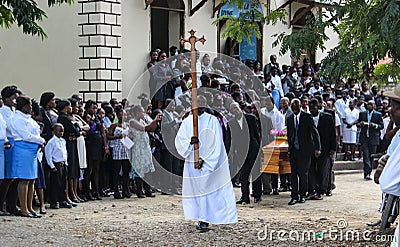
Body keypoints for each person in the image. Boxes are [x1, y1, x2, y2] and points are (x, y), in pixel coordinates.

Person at [175, 95, 238, 232]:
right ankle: (200, 216)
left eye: (203, 101)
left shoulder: (212, 120)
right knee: (197, 191)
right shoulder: (187, 122)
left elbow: (216, 143)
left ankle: (204, 219)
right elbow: (180, 139)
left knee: (206, 190)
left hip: (208, 163)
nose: (201, 104)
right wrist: (189, 143)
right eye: (198, 101)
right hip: (192, 161)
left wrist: (205, 159)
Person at [9, 96, 45, 217]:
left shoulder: (28, 118)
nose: (31, 107)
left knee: (31, 180)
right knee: (24, 179)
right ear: (23, 106)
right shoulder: (18, 118)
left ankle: (30, 207)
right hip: (23, 149)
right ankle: (24, 208)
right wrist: (41, 140)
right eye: (29, 105)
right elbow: (26, 136)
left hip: (32, 151)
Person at [286, 98, 321, 205]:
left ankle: (302, 195)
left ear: (300, 106)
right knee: (293, 174)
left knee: (303, 173)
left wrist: (317, 148)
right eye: (292, 107)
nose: (294, 109)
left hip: (305, 150)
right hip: (293, 150)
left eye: (296, 107)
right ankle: (294, 196)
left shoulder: (307, 117)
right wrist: (289, 148)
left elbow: (315, 133)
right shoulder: (290, 118)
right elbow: (289, 134)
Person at [229, 102, 262, 204]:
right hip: (241, 151)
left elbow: (257, 135)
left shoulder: (251, 118)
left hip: (253, 149)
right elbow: (233, 139)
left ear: (240, 108)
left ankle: (257, 195)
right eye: (233, 109)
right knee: (244, 174)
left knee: (255, 172)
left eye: (236, 108)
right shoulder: (231, 122)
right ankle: (245, 197)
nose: (235, 110)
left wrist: (259, 150)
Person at [128, 105, 161, 198]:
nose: (143, 113)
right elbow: (145, 128)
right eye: (141, 112)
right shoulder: (132, 122)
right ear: (136, 113)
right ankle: (139, 190)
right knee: (140, 170)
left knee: (147, 169)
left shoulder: (142, 121)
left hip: (145, 147)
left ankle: (148, 190)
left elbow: (152, 128)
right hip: (138, 149)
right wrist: (155, 120)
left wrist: (156, 121)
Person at [308, 99, 336, 200]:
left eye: (314, 108)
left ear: (318, 107)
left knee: (323, 171)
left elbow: (333, 133)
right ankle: (312, 190)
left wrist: (333, 148)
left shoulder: (327, 117)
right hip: (311, 149)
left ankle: (321, 191)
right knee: (311, 170)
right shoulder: (307, 117)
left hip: (325, 148)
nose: (312, 110)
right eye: (310, 108)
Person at [0, 86, 20, 216]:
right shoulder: (4, 111)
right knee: (7, 176)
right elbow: (11, 127)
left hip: (14, 141)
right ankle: (3, 204)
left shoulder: (13, 111)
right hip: (9, 142)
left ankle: (12, 204)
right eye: (14, 97)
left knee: (14, 176)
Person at [57, 100, 80, 206]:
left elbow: (76, 131)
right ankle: (69, 195)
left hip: (72, 143)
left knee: (75, 169)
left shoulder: (68, 117)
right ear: (66, 107)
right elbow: (75, 130)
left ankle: (74, 193)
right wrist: (77, 128)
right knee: (70, 170)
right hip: (68, 144)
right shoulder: (63, 118)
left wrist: (77, 129)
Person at [83, 100, 108, 200]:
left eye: (96, 108)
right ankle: (87, 191)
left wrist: (105, 146)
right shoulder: (85, 117)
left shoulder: (97, 117)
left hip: (98, 144)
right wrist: (88, 121)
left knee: (97, 168)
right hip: (90, 144)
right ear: (88, 108)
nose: (95, 110)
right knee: (89, 169)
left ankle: (96, 190)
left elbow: (103, 131)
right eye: (93, 108)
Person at [45, 123, 73, 210]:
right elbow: (48, 155)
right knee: (55, 184)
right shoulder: (51, 142)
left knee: (63, 184)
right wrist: (52, 166)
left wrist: (66, 162)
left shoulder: (63, 141)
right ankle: (54, 201)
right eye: (59, 131)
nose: (61, 133)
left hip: (63, 164)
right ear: (54, 131)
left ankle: (62, 200)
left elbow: (65, 153)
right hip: (56, 165)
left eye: (62, 131)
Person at [108, 106, 131, 199]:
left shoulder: (128, 125)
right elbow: (109, 136)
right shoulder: (114, 125)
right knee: (116, 170)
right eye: (122, 114)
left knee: (126, 170)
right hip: (118, 148)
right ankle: (116, 190)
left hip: (126, 148)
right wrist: (118, 137)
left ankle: (126, 189)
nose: (124, 116)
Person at [358, 100, 383, 180]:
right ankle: (367, 173)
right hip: (364, 137)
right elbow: (358, 123)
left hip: (373, 138)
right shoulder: (362, 113)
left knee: (371, 156)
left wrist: (375, 125)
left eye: (371, 104)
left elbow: (381, 126)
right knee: (365, 155)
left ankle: (368, 172)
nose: (369, 105)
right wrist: (361, 124)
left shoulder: (378, 114)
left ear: (374, 106)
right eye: (368, 104)